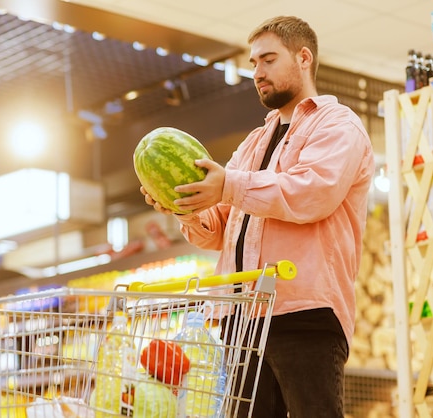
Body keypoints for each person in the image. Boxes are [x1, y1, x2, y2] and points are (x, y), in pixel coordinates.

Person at [140, 15, 374, 417]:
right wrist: (184, 205)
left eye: (268, 60)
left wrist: (228, 185)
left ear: (303, 58)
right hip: (243, 322)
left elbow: (311, 194)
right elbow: (219, 228)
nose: (257, 73)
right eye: (253, 64)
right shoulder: (253, 143)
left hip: (303, 314)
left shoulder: (338, 126)